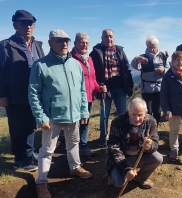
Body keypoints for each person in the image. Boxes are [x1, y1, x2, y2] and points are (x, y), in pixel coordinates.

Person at [28, 29, 92, 198]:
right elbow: (33, 93)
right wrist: (41, 117)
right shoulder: (41, 65)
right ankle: (41, 182)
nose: (64, 44)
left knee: (73, 143)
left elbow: (82, 91)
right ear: (50, 43)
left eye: (66, 41)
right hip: (52, 117)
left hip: (73, 115)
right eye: (59, 41)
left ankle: (75, 167)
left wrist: (84, 111)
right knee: (47, 150)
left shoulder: (75, 64)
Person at [0, 10, 45, 171]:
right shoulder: (6, 45)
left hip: (35, 95)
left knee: (31, 125)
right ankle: (20, 159)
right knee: (18, 127)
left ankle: (29, 152)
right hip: (15, 95)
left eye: (30, 23)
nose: (27, 26)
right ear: (15, 25)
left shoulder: (38, 45)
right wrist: (2, 94)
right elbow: (1, 72)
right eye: (23, 23)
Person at [90, 29, 134, 147]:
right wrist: (97, 85)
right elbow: (92, 71)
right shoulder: (96, 52)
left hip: (120, 87)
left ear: (114, 38)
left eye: (110, 36)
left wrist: (129, 86)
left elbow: (126, 68)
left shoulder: (119, 51)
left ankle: (122, 136)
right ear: (102, 38)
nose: (108, 39)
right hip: (105, 88)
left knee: (123, 114)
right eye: (106, 36)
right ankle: (103, 137)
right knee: (105, 114)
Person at [107, 97, 163, 189]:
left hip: (140, 156)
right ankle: (112, 177)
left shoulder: (151, 121)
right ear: (128, 112)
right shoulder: (118, 122)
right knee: (119, 183)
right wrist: (126, 170)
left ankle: (140, 178)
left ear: (146, 113)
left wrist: (149, 146)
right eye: (133, 114)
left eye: (140, 115)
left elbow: (155, 144)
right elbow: (113, 148)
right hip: (122, 158)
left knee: (158, 158)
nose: (137, 119)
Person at [71, 32, 107, 157]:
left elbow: (92, 78)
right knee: (75, 124)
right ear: (75, 43)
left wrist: (98, 88)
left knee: (85, 122)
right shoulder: (71, 58)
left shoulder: (89, 58)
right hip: (76, 98)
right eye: (82, 42)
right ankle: (73, 148)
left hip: (89, 96)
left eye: (87, 43)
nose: (84, 45)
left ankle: (83, 146)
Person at [131, 35, 170, 125]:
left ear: (157, 46)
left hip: (159, 89)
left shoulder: (163, 57)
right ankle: (146, 128)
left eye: (154, 47)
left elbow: (168, 70)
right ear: (146, 46)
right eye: (149, 47)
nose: (152, 49)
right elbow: (135, 66)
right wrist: (137, 59)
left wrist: (163, 70)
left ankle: (154, 130)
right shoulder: (142, 57)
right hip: (146, 89)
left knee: (157, 111)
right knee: (147, 111)